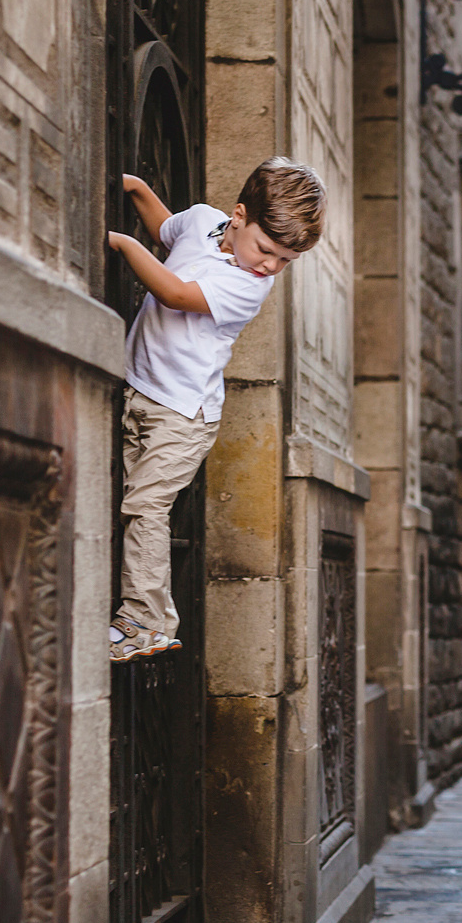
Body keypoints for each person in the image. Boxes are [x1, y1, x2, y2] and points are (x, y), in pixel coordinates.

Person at [107, 156, 327, 661]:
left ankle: (146, 623)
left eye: (286, 261)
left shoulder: (247, 285)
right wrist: (131, 186)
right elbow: (166, 228)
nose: (272, 266)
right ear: (238, 215)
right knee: (125, 502)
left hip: (183, 416)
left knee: (144, 507)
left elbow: (173, 292)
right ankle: (138, 614)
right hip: (141, 390)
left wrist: (120, 242)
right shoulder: (203, 221)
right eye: (267, 250)